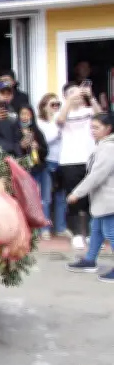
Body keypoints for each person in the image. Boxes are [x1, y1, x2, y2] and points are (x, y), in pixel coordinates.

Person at [65, 113, 114, 282]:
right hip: (103, 199)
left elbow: (97, 175)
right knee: (96, 229)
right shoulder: (103, 144)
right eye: (91, 127)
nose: (92, 131)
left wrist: (77, 193)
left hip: (110, 198)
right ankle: (90, 260)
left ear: (108, 129)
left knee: (110, 232)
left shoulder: (109, 147)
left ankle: (91, 260)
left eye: (96, 127)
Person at [57, 81, 104, 250]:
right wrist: (69, 101)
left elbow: (101, 117)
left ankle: (93, 233)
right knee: (73, 198)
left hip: (90, 159)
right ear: (65, 96)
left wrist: (90, 97)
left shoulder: (89, 110)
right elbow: (60, 121)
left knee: (93, 198)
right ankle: (77, 234)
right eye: (72, 93)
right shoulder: (62, 111)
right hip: (69, 161)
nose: (77, 96)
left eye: (79, 93)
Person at [36, 93, 67, 239]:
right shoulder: (40, 123)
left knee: (61, 196)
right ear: (44, 106)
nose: (56, 107)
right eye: (52, 104)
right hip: (48, 161)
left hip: (62, 160)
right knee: (46, 196)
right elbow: (43, 142)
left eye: (58, 105)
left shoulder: (61, 121)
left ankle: (61, 227)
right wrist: (58, 132)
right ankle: (45, 228)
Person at [18, 105, 47, 169]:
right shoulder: (15, 130)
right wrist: (21, 146)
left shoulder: (36, 131)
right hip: (21, 168)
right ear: (18, 115)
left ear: (32, 116)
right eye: (22, 114)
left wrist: (38, 147)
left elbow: (45, 151)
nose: (25, 117)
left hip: (38, 167)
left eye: (28, 114)